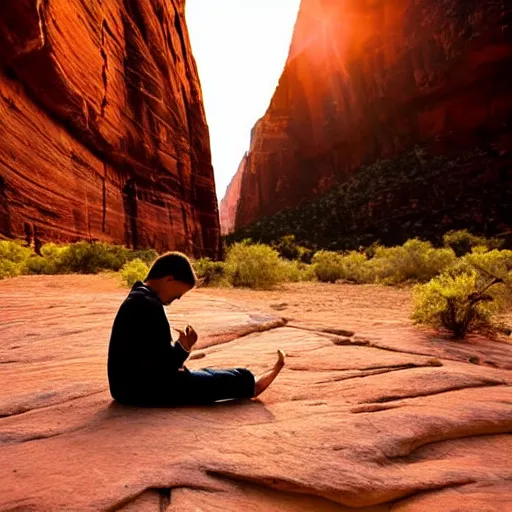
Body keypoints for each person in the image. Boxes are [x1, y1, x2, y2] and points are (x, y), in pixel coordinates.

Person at [107, 251, 286, 406]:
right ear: (169, 279)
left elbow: (151, 358)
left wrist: (178, 352)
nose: (177, 298)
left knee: (204, 375)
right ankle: (252, 385)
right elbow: (164, 367)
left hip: (127, 387)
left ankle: (248, 381)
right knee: (210, 382)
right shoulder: (148, 305)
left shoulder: (138, 298)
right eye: (179, 293)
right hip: (140, 391)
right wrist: (183, 347)